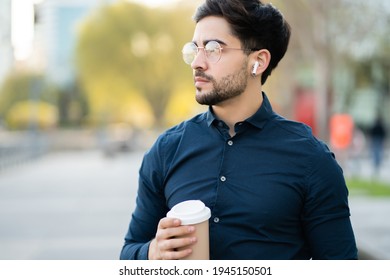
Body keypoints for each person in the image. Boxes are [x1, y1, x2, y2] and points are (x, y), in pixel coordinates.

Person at [120, 0, 358, 260]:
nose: (197, 62)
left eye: (213, 49)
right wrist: (151, 252)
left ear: (258, 62)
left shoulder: (311, 159)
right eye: (194, 49)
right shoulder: (166, 150)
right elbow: (129, 252)